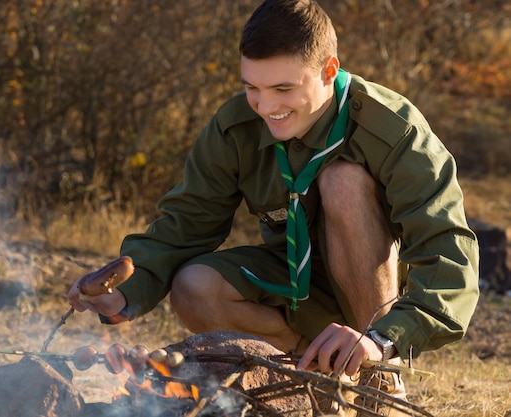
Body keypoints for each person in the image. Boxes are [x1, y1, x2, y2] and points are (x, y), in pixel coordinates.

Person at [69, 0, 479, 414]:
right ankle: (317, 377)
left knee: (343, 181)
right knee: (194, 285)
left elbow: (449, 257)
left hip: (375, 298)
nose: (266, 107)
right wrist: (128, 291)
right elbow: (187, 222)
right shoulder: (235, 128)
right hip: (294, 289)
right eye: (252, 88)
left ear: (328, 71)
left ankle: (378, 384)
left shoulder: (394, 129)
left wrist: (383, 338)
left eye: (283, 89)